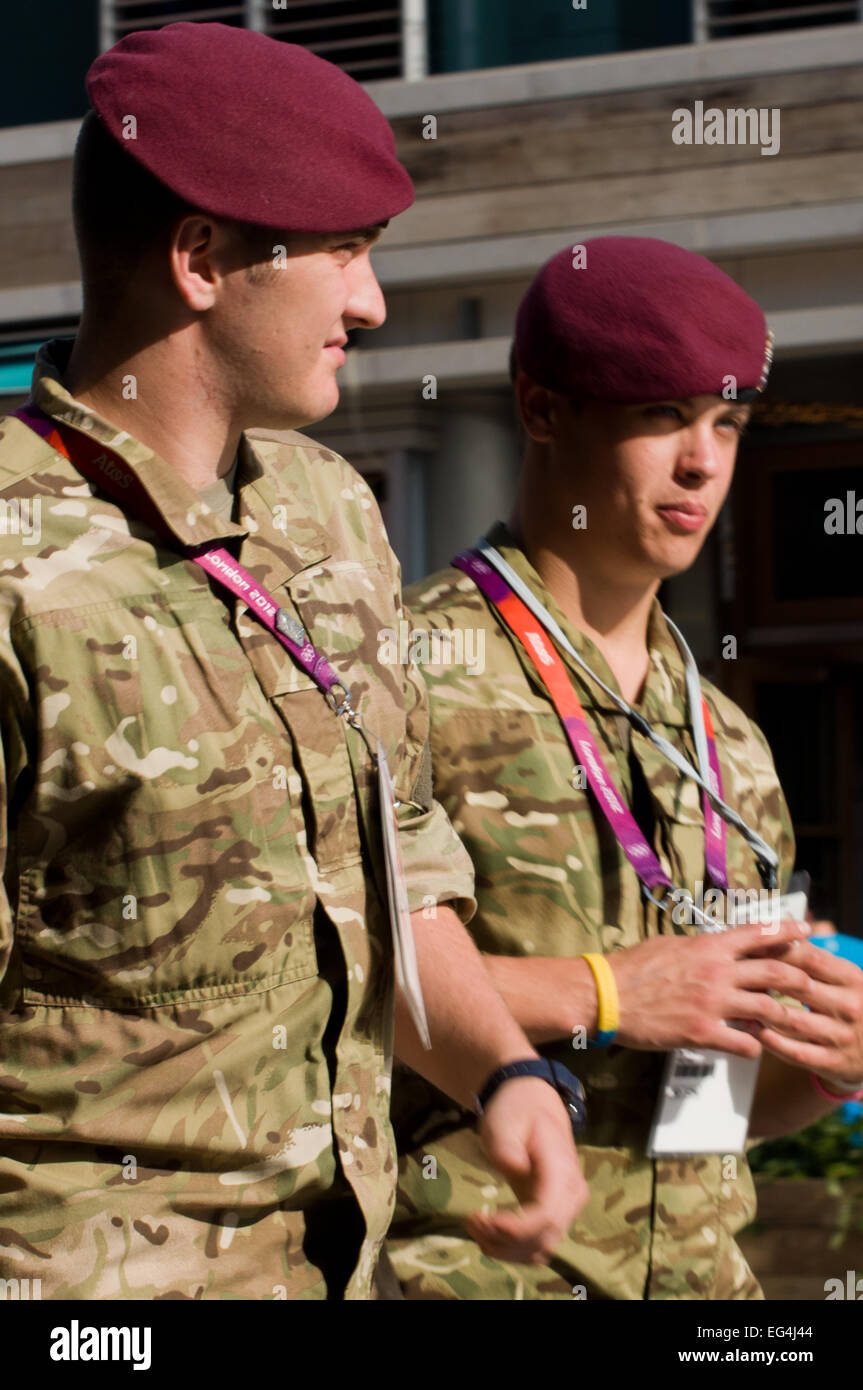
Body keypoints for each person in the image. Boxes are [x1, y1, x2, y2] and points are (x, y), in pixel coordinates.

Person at [0, 22, 589, 1302]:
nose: (370, 304)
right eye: (346, 253)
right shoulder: (9, 560)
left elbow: (392, 872)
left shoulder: (329, 513)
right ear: (204, 258)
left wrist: (506, 1073)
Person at [385, 236, 863, 1299]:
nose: (702, 462)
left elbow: (709, 1105)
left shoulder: (725, 745)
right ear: (542, 409)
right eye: (660, 414)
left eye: (726, 424)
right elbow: (306, 987)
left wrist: (831, 1064)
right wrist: (600, 991)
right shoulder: (398, 670)